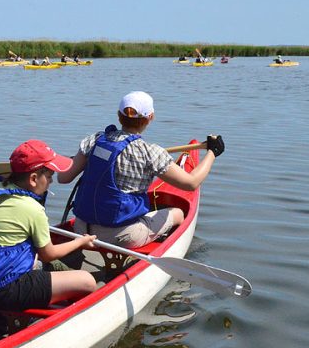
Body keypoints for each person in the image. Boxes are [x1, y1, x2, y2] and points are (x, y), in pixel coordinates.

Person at [57, 91, 225, 248]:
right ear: (150, 117)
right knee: (178, 213)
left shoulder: (94, 140)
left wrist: (84, 160)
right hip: (122, 237)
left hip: (81, 230)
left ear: (118, 116)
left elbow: (62, 178)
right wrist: (212, 152)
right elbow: (191, 183)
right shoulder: (150, 152)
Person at [0, 140, 98, 312]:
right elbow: (49, 254)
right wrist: (80, 242)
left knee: (30, 257)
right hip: (3, 291)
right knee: (87, 281)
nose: (51, 182)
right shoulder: (33, 208)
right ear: (33, 179)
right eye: (48, 176)